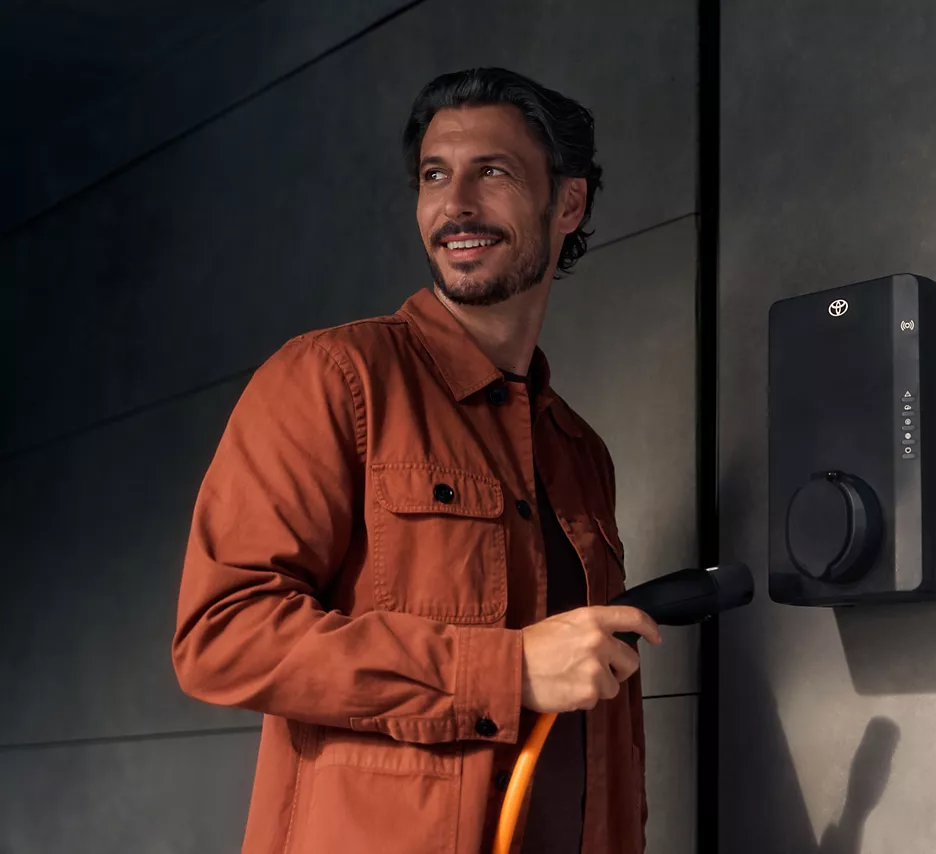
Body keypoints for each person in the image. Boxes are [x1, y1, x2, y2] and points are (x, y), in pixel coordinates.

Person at [171, 66, 660, 854]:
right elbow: (223, 635)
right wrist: (503, 670)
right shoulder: (334, 379)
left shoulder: (579, 451)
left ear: (568, 203)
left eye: (492, 172)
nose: (455, 204)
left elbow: (601, 735)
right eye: (435, 175)